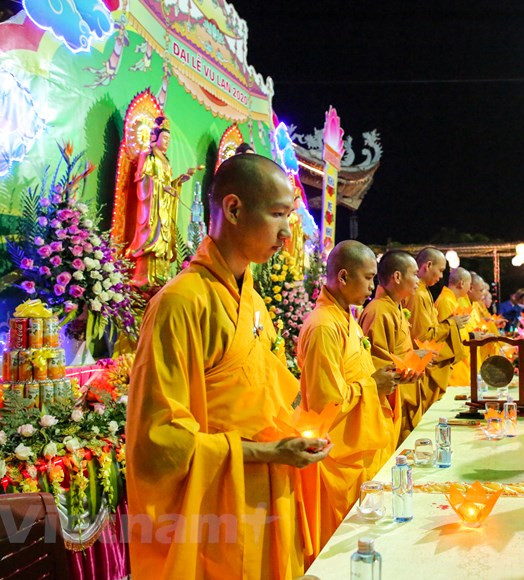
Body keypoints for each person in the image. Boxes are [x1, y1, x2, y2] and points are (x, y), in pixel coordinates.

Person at [126, 154, 331, 579]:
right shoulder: (180, 303)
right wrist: (267, 452)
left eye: (289, 217)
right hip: (216, 512)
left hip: (270, 493)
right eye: (278, 215)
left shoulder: (252, 301)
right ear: (233, 209)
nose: (286, 235)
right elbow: (157, 442)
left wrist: (295, 436)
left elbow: (266, 396)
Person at [297, 240, 400, 555]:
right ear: (343, 277)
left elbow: (353, 375)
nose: (372, 286)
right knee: (341, 550)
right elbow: (325, 403)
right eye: (368, 278)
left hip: (360, 447)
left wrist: (380, 379)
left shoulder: (345, 318)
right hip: (338, 457)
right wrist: (373, 386)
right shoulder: (323, 326)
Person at [360, 250, 427, 444]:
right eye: (414, 274)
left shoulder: (395, 308)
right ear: (397, 277)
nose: (418, 280)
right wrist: (410, 363)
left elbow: (399, 352)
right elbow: (377, 365)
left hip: (405, 396)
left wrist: (416, 358)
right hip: (392, 401)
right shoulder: (379, 311)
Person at [129, 116, 202, 287]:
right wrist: (162, 187)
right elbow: (142, 179)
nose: (167, 142)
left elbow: (168, 184)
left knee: (164, 241)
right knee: (152, 238)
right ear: (155, 137)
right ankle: (145, 278)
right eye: (165, 138)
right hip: (152, 208)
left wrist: (177, 182)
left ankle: (161, 276)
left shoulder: (166, 161)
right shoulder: (148, 156)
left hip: (164, 208)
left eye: (169, 139)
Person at [407, 247, 468, 411]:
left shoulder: (424, 292)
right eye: (440, 270)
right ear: (428, 265)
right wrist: (451, 324)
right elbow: (422, 338)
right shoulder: (418, 294)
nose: (441, 276)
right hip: (421, 366)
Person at [435, 267, 473, 386]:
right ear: (462, 283)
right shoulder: (446, 301)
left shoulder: (452, 301)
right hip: (452, 363)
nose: (470, 288)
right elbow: (446, 334)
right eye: (469, 284)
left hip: (460, 360)